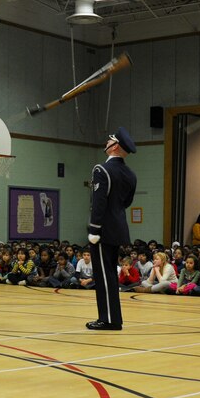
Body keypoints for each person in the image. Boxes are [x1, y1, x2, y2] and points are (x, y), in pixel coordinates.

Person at [86, 127, 137, 330]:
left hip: (103, 230)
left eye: (109, 141)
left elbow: (99, 203)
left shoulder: (102, 170)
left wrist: (94, 229)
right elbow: (126, 202)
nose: (106, 143)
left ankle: (108, 319)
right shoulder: (130, 174)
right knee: (108, 274)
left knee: (103, 275)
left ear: (114, 146)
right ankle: (112, 317)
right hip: (118, 227)